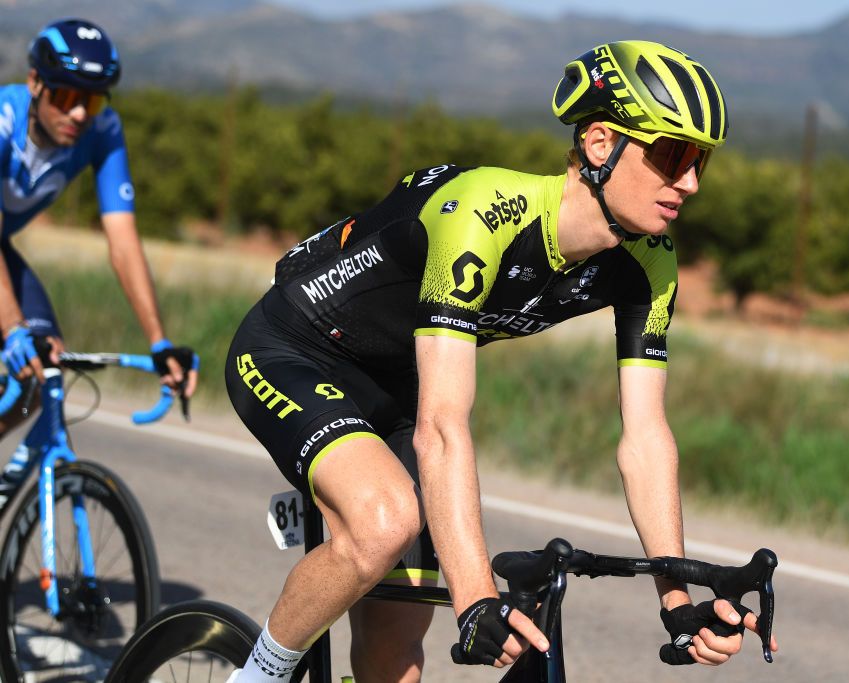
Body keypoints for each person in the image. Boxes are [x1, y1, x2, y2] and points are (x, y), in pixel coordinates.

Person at [225, 40, 778, 683]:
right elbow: (442, 425)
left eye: (701, 161)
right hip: (295, 350)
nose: (690, 182)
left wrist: (675, 597)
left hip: (399, 384)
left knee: (395, 652)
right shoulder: (483, 215)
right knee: (386, 522)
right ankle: (258, 674)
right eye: (673, 154)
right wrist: (473, 598)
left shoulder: (650, 262)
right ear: (601, 143)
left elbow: (646, 439)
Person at [0, 18, 198, 444]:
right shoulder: (4, 117)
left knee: (43, 369)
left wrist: (159, 342)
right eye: (67, 96)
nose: (77, 113)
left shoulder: (103, 130)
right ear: (35, 82)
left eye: (90, 103)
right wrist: (12, 326)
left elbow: (123, 242)